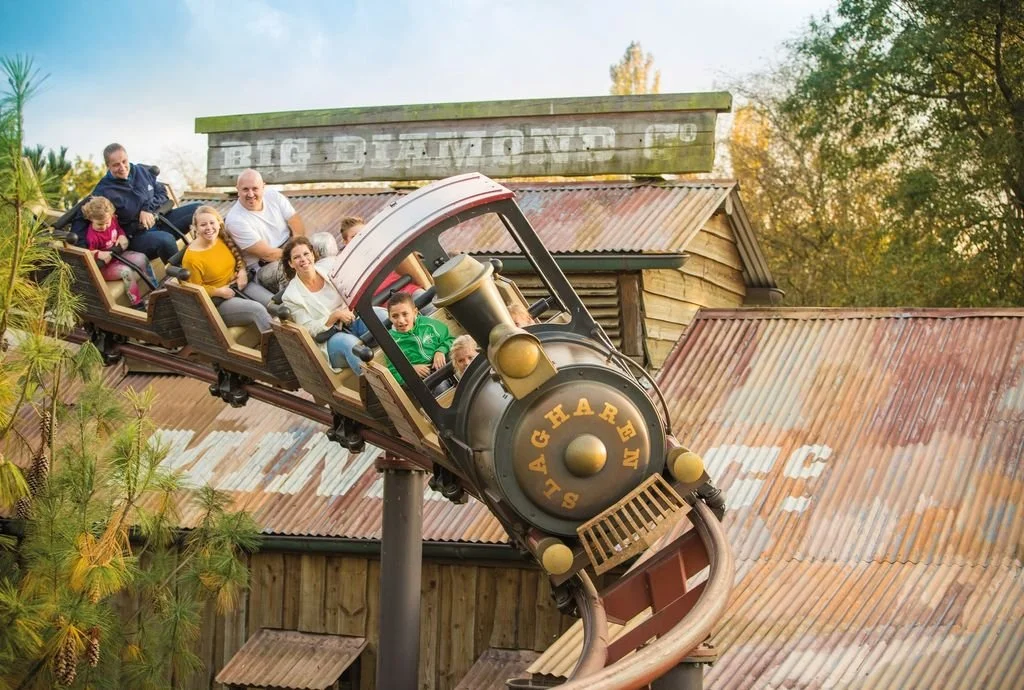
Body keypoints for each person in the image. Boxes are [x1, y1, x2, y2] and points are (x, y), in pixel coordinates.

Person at [75, 143, 199, 262]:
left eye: (124, 161)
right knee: (166, 240)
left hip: (161, 219)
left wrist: (147, 209)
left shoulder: (142, 171)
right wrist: (88, 252)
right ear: (108, 166)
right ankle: (182, 280)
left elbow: (162, 194)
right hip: (137, 235)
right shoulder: (103, 190)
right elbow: (83, 218)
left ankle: (206, 254)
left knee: (199, 210)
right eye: (116, 165)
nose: (122, 168)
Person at [280, 237, 387, 375]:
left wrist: (349, 307)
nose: (303, 259)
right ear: (291, 264)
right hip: (331, 338)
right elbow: (309, 329)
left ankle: (410, 361)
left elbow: (353, 289)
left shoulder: (329, 267)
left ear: (312, 255)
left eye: (306, 254)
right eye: (296, 257)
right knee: (351, 345)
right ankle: (379, 390)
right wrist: (335, 316)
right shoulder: (291, 296)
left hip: (353, 319)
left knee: (382, 316)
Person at [181, 206, 273, 332]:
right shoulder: (191, 258)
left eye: (212, 223)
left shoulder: (221, 239)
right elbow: (194, 291)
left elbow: (238, 258)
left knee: (273, 304)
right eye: (203, 225)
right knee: (257, 310)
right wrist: (218, 292)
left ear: (219, 223)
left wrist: (242, 272)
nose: (209, 228)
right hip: (218, 302)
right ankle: (276, 350)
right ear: (195, 228)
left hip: (239, 286)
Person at [225, 169, 306, 293]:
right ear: (238, 189)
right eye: (245, 189)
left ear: (263, 187)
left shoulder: (272, 195)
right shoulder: (235, 220)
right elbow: (267, 254)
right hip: (265, 265)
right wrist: (298, 255)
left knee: (323, 241)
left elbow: (295, 221)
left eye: (255, 188)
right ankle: (297, 308)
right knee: (285, 269)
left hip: (291, 247)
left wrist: (299, 248)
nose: (251, 194)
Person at [81, 196, 154, 307]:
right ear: (91, 219)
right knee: (126, 272)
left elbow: (118, 229)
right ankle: (137, 304)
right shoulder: (92, 236)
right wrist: (97, 253)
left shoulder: (113, 219)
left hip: (118, 254)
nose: (104, 227)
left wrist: (121, 235)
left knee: (142, 258)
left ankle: (155, 288)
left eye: (107, 223)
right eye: (100, 224)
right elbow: (88, 253)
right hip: (105, 266)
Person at [340, 216, 423, 299]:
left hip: (410, 291)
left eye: (363, 234)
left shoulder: (384, 249)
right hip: (385, 307)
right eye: (354, 236)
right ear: (345, 242)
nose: (360, 239)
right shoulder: (346, 269)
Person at [385, 292, 453, 385]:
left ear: (415, 312)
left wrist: (440, 351)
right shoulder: (390, 342)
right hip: (426, 379)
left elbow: (451, 340)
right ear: (389, 317)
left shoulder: (428, 324)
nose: (401, 320)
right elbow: (394, 372)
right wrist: (411, 370)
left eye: (405, 314)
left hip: (445, 362)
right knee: (441, 386)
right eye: (395, 316)